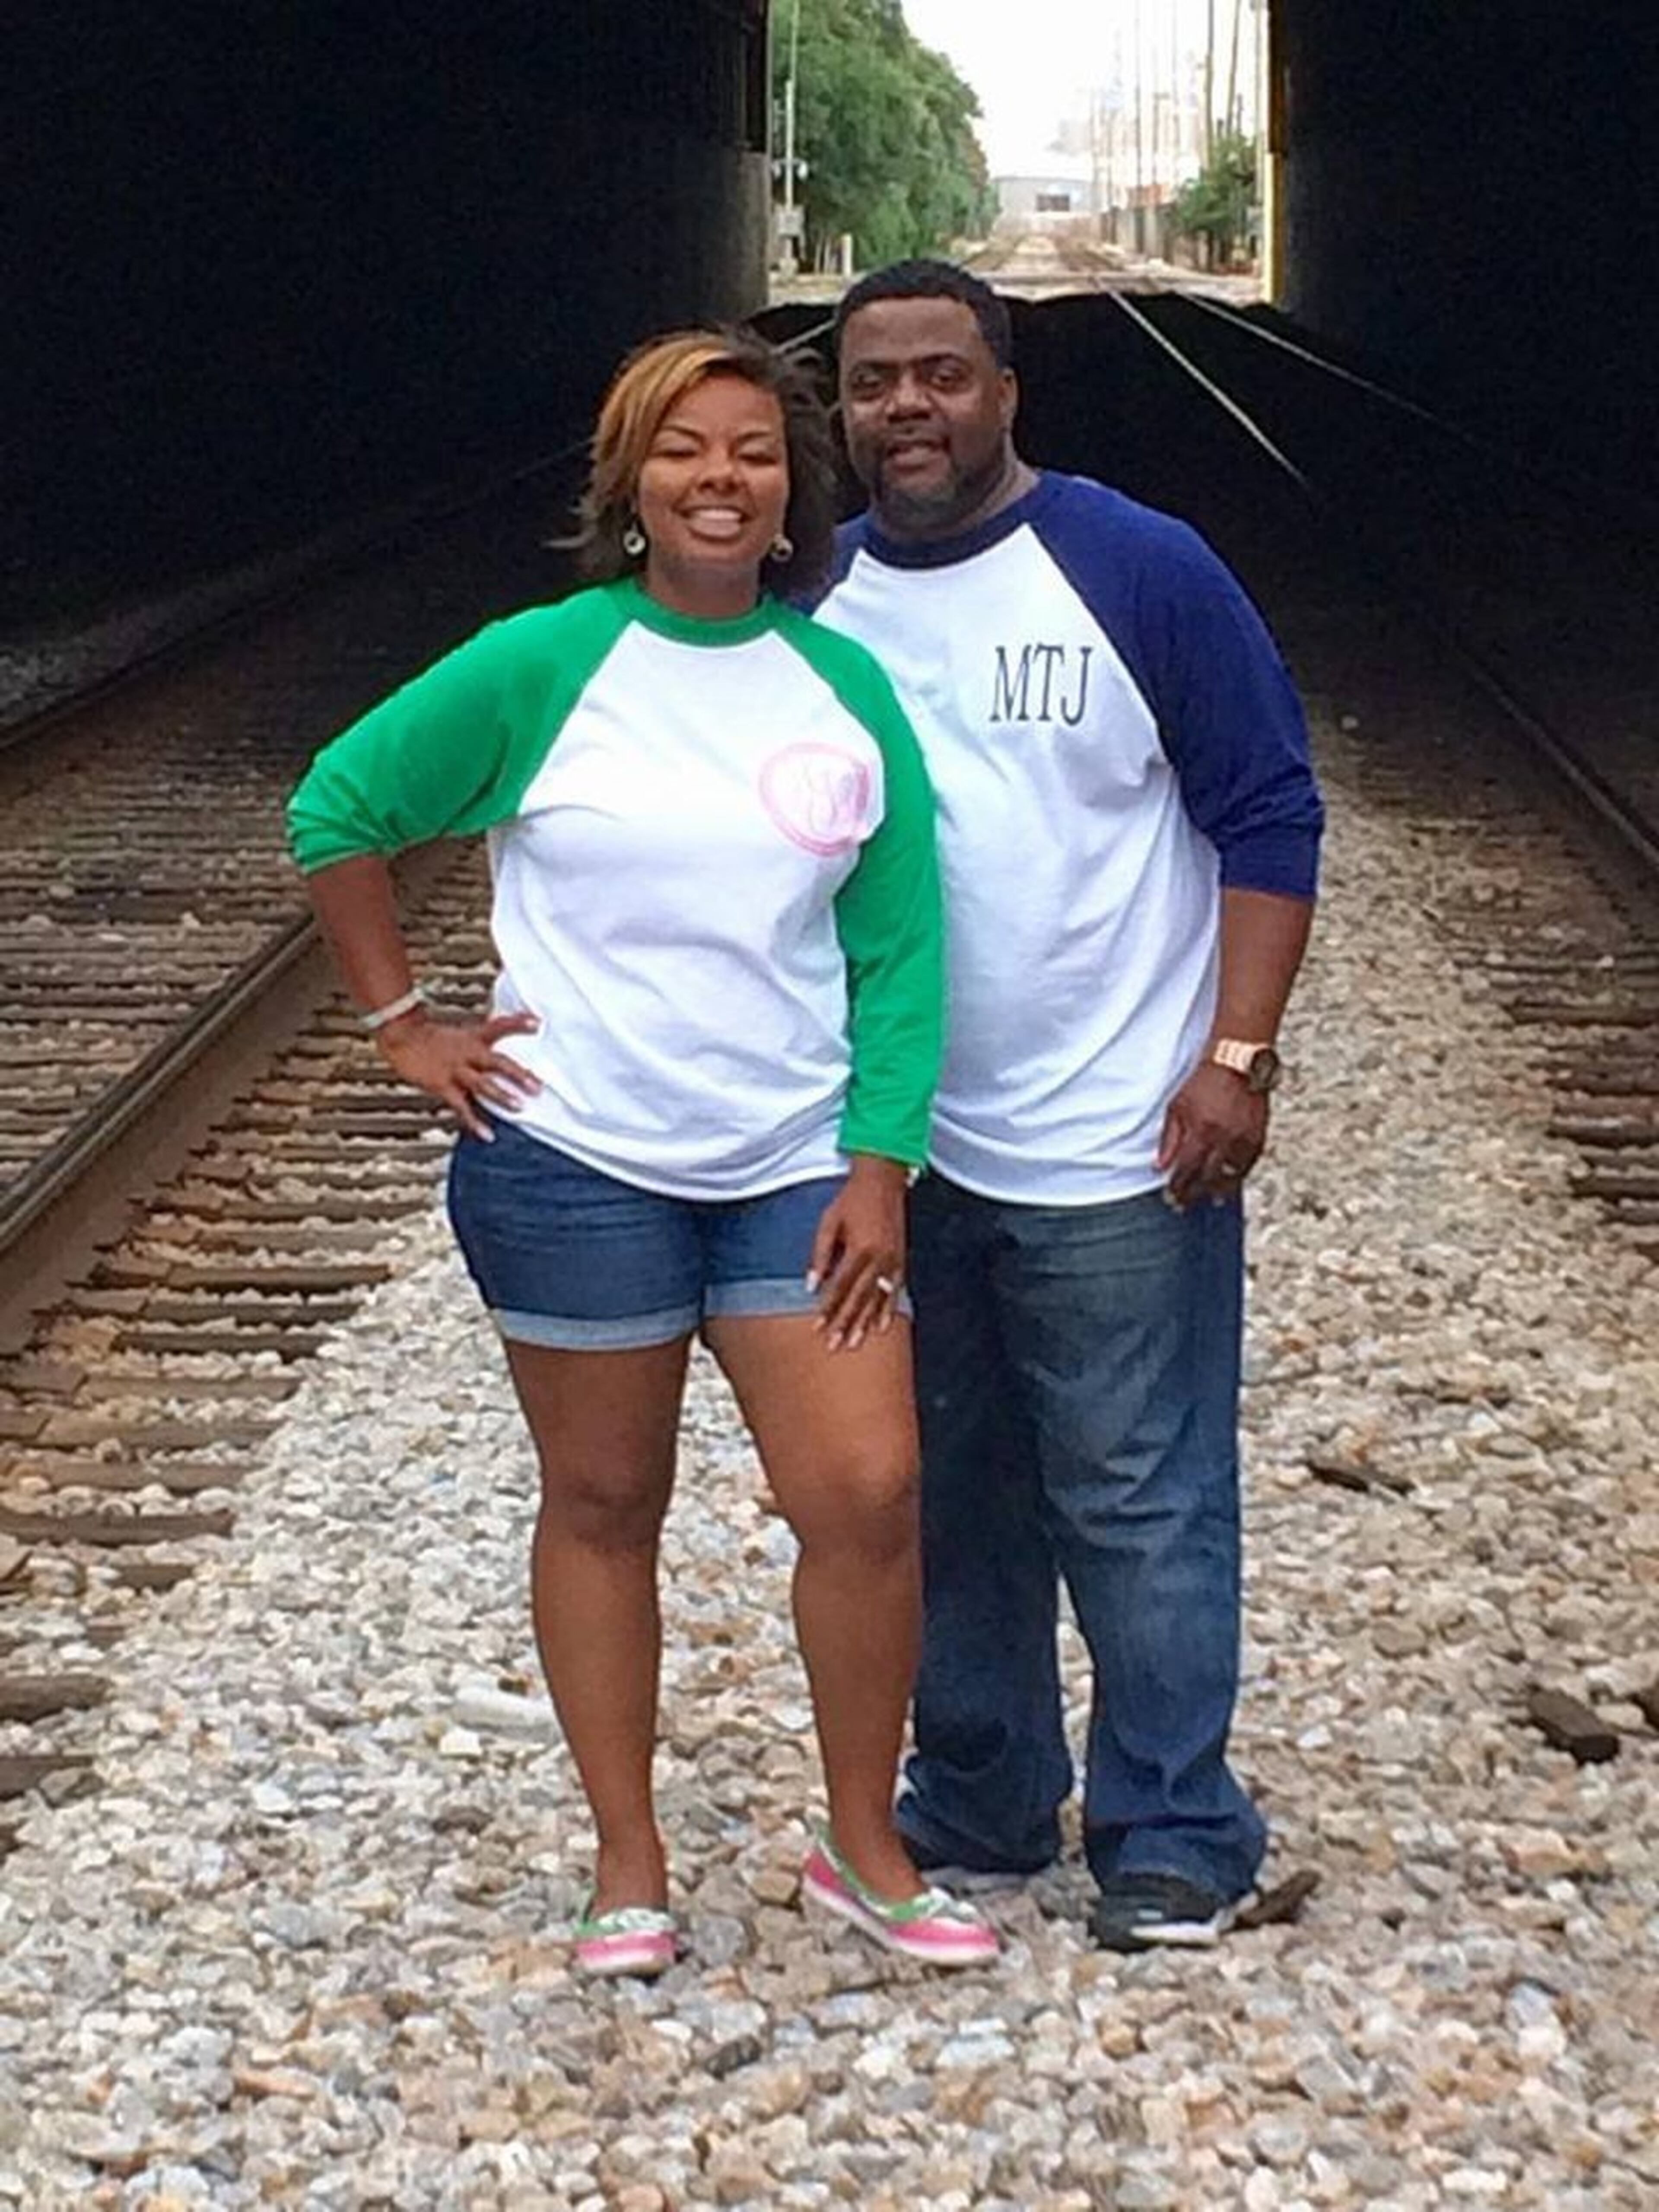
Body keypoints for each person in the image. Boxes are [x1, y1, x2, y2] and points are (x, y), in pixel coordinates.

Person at [286, 327, 998, 1978]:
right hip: (575, 1168)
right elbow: (340, 810)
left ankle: (864, 1846)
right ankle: (628, 1859)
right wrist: (406, 1024)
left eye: (752, 451)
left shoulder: (840, 685)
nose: (722, 479)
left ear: (790, 485)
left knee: (870, 1493)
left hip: (791, 1163)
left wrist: (882, 1159)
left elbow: (901, 947)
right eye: (684, 451)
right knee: (606, 1500)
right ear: (630, 484)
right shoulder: (546, 665)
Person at [814, 260, 1324, 1951]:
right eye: (876, 379)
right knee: (951, 1487)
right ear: (844, 405)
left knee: (1138, 1485)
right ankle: (980, 1792)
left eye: (943, 376)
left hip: (1121, 1136)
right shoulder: (820, 604)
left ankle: (1175, 1824)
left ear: (1007, 392)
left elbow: (1268, 815)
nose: (910, 409)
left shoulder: (1136, 567)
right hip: (910, 1146)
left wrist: (1234, 1056)